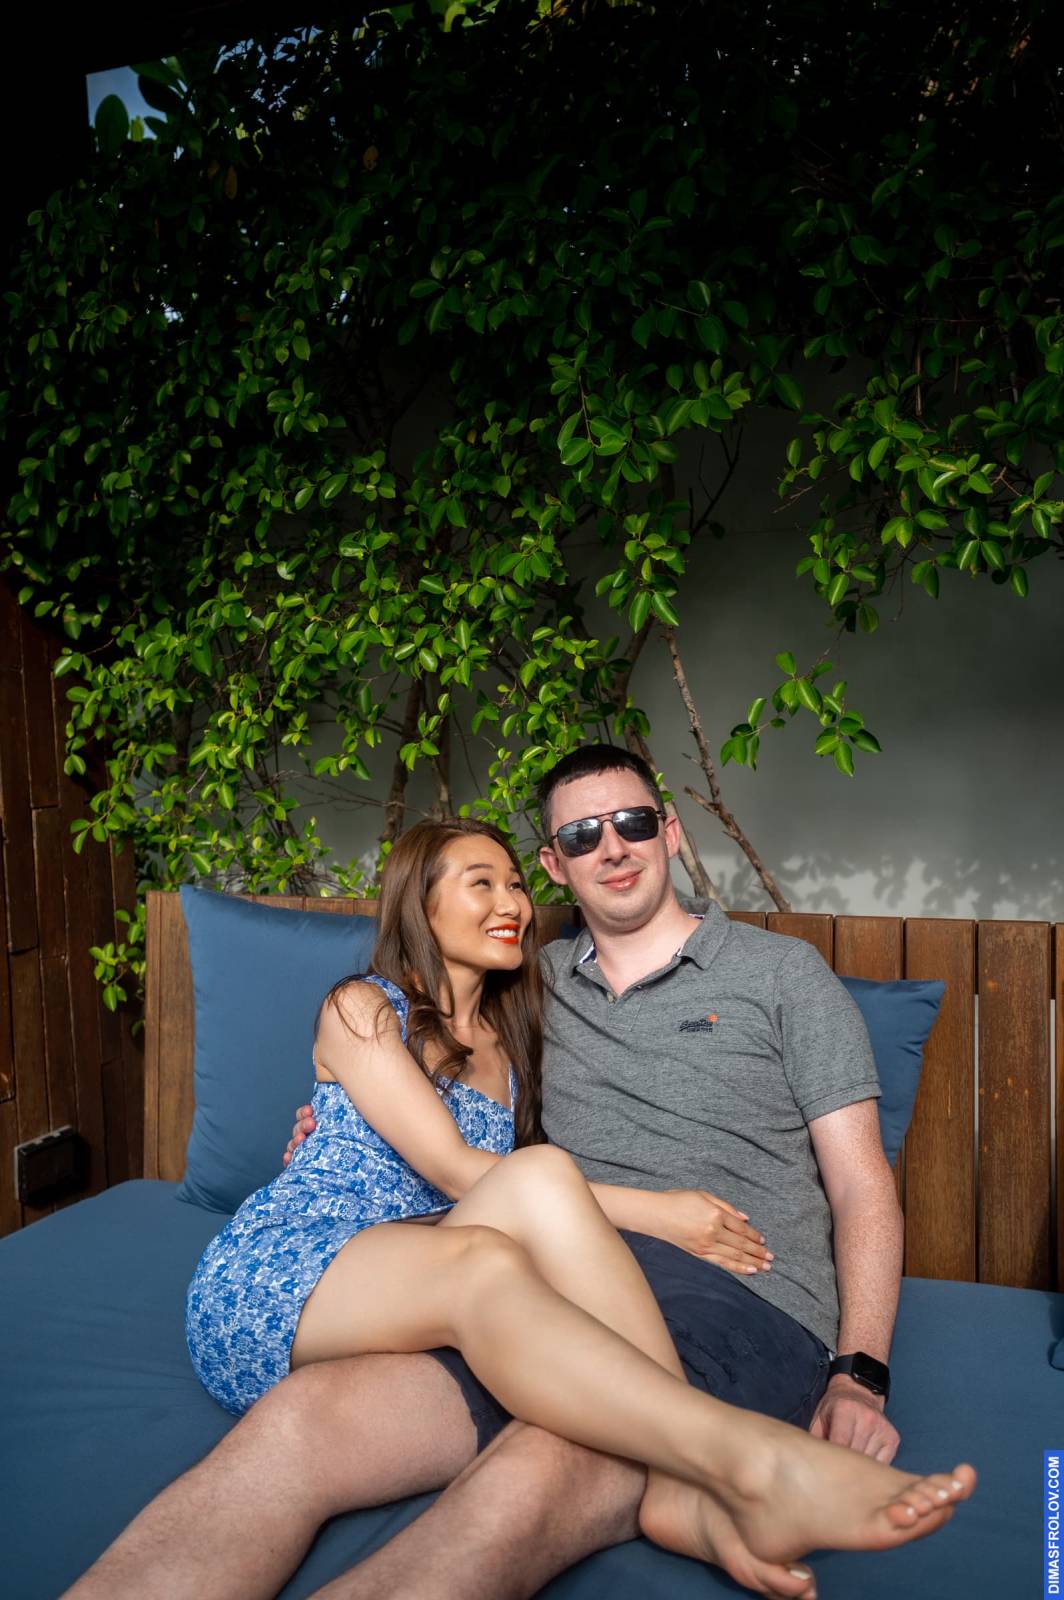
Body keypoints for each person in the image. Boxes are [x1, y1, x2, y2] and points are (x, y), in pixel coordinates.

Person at [65, 749, 975, 1600]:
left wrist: (859, 1371)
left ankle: (712, 1473)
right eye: (582, 835)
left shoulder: (779, 975)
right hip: (530, 1277)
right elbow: (449, 1133)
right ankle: (711, 1471)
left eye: (633, 823)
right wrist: (331, 1124)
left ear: (670, 832)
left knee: (541, 1466)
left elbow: (860, 1184)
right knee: (304, 1421)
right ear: (557, 866)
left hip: (729, 1292)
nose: (612, 848)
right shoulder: (530, 990)